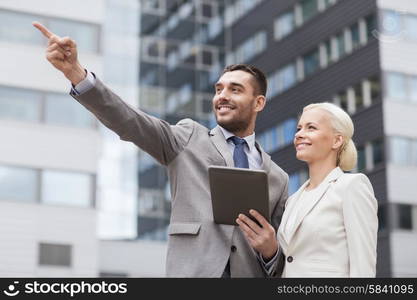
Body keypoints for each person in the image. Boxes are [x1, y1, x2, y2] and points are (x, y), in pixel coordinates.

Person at [33, 22, 289, 278]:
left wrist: (271, 251)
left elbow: (282, 262)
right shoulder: (189, 137)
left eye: (235, 90)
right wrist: (76, 73)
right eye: (219, 89)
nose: (222, 96)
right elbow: (131, 122)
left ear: (259, 102)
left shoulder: (277, 177)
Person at [237, 102, 378, 277]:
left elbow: (363, 265)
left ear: (337, 140)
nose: (299, 135)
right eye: (299, 128)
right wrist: (270, 249)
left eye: (311, 128)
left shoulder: (352, 186)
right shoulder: (293, 200)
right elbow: (290, 262)